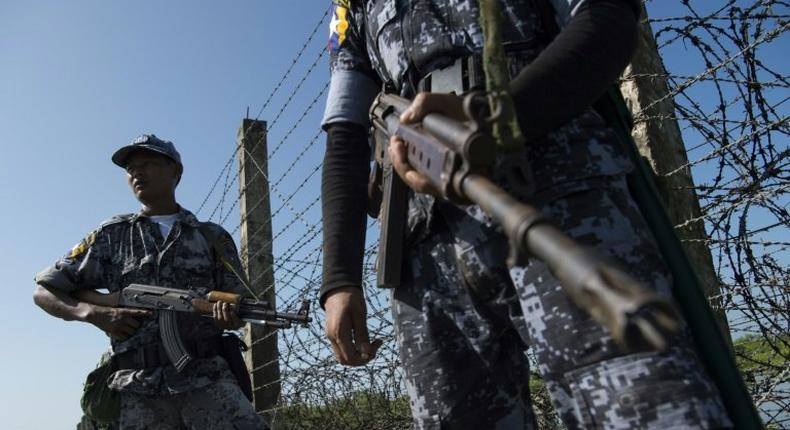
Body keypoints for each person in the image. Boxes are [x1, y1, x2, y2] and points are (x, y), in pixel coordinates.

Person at [320, 0, 733, 428]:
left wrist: (501, 119)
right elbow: (346, 136)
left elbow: (606, 17)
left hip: (560, 190)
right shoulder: (352, 6)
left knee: (642, 404)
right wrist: (339, 277)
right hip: (424, 241)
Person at [33, 134, 268, 430]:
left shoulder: (212, 237)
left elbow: (236, 305)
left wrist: (229, 318)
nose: (137, 173)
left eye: (149, 163)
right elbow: (44, 290)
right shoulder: (111, 235)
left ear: (176, 171)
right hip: (137, 387)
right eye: (131, 168)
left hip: (206, 378)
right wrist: (94, 313)